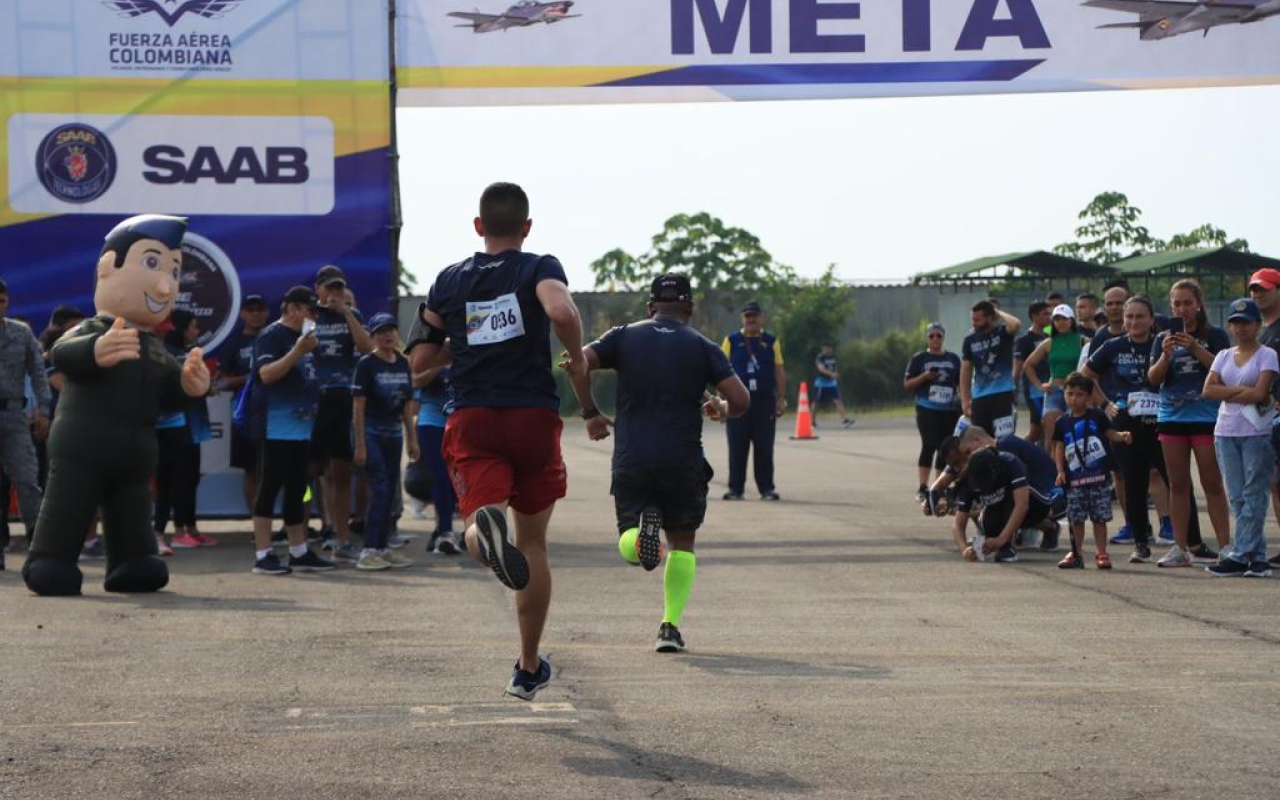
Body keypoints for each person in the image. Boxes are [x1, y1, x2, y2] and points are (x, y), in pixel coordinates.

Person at [410, 181, 591, 700]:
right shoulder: (539, 266)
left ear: (478, 226)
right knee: (533, 544)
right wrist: (576, 356)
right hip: (532, 416)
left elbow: (419, 363)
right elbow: (560, 313)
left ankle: (481, 534)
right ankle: (529, 663)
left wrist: (461, 345)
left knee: (477, 523)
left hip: (474, 417)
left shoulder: (449, 279)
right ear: (527, 227)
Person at [22, 215, 211, 596]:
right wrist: (95, 349)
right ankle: (50, 558)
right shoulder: (93, 329)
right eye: (153, 264)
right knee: (69, 503)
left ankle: (132, 560)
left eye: (173, 271)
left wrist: (190, 387)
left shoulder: (154, 348)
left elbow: (168, 393)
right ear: (108, 268)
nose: (164, 285)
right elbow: (62, 354)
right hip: (82, 449)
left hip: (135, 457)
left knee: (132, 510)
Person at [570, 274, 750, 652]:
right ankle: (669, 627)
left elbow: (575, 362)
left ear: (650, 307)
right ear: (689, 308)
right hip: (682, 460)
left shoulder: (623, 336)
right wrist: (721, 409)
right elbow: (742, 400)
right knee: (682, 543)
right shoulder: (702, 346)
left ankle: (639, 540)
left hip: (633, 457)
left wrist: (590, 413)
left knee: (628, 539)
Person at [1083, 295, 1182, 563]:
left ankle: (1189, 540)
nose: (1134, 322)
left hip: (1164, 420)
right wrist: (1104, 404)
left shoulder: (1163, 343)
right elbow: (1085, 376)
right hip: (1127, 422)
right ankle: (1140, 542)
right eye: (1130, 317)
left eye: (1140, 316)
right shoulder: (1113, 346)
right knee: (1134, 484)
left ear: (1152, 320)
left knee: (1176, 481)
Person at [247, 286, 336, 576]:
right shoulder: (271, 336)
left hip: (302, 427)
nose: (314, 318)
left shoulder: (308, 340)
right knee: (269, 487)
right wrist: (297, 350)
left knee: (300, 489)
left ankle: (299, 551)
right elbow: (266, 375)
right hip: (274, 426)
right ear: (294, 309)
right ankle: (262, 555)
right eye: (311, 311)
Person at [1148, 279, 1231, 568]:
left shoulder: (1216, 335)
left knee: (1212, 482)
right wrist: (1166, 355)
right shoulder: (1162, 338)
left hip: (1206, 417)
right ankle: (1179, 548)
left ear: (1199, 304)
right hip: (1172, 417)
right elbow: (1154, 379)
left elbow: (1224, 371)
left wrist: (1195, 348)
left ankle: (1225, 547)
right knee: (1178, 484)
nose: (1182, 309)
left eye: (1187, 303)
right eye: (1177, 304)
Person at [1201, 299, 1276, 577]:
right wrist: (1240, 391)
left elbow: (1261, 394)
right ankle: (1257, 559)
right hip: (1225, 431)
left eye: (1246, 322)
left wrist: (1227, 390)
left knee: (1254, 493)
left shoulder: (1267, 355)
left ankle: (1240, 554)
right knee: (1237, 496)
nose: (1240, 327)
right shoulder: (1222, 356)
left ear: (1257, 324)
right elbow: (1208, 390)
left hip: (1257, 432)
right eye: (1236, 322)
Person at [309, 265, 372, 554]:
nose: (334, 293)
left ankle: (343, 538)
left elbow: (367, 348)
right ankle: (317, 528)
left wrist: (346, 312)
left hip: (344, 399)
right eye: (329, 288)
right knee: (312, 471)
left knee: (341, 471)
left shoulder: (352, 315)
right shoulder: (309, 315)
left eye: (338, 288)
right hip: (312, 400)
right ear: (318, 289)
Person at [930, 426, 1065, 558]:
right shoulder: (984, 461)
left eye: (967, 453)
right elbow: (946, 480)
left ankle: (1043, 527)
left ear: (978, 441)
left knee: (1001, 497)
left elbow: (1021, 502)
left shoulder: (1006, 450)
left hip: (1054, 496)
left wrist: (1001, 538)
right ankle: (1007, 535)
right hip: (1033, 494)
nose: (967, 460)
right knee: (991, 499)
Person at [351, 313, 419, 571]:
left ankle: (382, 548)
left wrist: (412, 439)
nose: (387, 335)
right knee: (379, 488)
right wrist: (360, 444)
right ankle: (368, 550)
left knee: (389, 492)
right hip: (371, 433)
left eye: (391, 330)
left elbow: (405, 406)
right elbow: (358, 407)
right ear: (373, 337)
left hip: (394, 435)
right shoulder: (366, 365)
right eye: (380, 331)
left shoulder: (403, 364)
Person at [1052, 373, 1132, 569]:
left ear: (1088, 397)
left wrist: (1121, 436)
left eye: (1079, 395)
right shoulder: (1061, 422)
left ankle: (1101, 552)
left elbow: (1109, 434)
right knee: (1076, 518)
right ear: (1064, 394)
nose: (1074, 399)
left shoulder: (1097, 416)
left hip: (1098, 478)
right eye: (1070, 394)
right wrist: (1060, 471)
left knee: (1099, 518)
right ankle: (1076, 552)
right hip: (1074, 481)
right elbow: (1059, 448)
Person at [154, 310, 215, 552]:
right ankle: (168, 532)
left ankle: (179, 529)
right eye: (192, 326)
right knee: (168, 480)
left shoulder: (180, 355)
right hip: (159, 424)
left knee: (180, 478)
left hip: (180, 422)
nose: (164, 333)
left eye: (167, 330)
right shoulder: (160, 354)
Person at [0, 280, 50, 572]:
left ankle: (40, 547)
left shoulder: (21, 333)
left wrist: (43, 408)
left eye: (3, 299)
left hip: (14, 415)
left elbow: (39, 372)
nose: (0, 304)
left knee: (28, 481)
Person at [721, 301, 786, 501]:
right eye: (747, 316)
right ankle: (735, 489)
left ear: (761, 317)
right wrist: (722, 400)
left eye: (754, 316)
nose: (751, 320)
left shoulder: (771, 341)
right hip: (737, 402)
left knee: (764, 447)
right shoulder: (731, 340)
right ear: (742, 319)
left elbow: (779, 371)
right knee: (737, 446)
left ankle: (766, 489)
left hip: (764, 401)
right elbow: (722, 371)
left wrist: (781, 398)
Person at [217, 294, 269, 512]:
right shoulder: (234, 343)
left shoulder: (275, 337)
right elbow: (221, 382)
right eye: (251, 310)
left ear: (267, 313)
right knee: (251, 470)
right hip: (245, 414)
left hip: (276, 412)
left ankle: (294, 525)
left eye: (260, 309)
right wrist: (252, 378)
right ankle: (257, 523)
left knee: (289, 470)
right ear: (242, 314)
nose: (256, 314)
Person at [1245, 268, 1280, 568]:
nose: (1258, 293)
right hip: (1266, 416)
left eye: (1265, 288)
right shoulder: (1258, 330)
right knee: (1275, 482)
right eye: (1254, 289)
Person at [903, 322, 961, 502]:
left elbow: (961, 381)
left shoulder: (953, 358)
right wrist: (924, 377)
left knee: (945, 447)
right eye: (931, 336)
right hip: (927, 407)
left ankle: (938, 487)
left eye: (939, 336)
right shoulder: (919, 359)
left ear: (943, 337)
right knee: (929, 445)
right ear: (927, 338)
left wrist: (963, 399)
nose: (935, 339)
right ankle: (922, 487)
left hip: (949, 409)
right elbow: (907, 385)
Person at [1022, 305, 1091, 450]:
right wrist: (1039, 386)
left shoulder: (1083, 341)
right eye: (1057, 319)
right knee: (1051, 438)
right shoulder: (1049, 342)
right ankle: (1050, 470)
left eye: (1064, 319)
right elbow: (1028, 365)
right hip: (1053, 392)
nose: (1060, 322)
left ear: (1072, 320)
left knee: (1075, 435)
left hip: (1076, 392)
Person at [412, 360, 461, 554]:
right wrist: (439, 363)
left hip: (460, 423)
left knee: (459, 480)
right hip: (431, 422)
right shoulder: (430, 352)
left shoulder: (469, 348)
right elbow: (417, 381)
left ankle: (463, 530)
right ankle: (445, 532)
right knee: (441, 477)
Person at [959, 300, 1023, 438]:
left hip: (1003, 395)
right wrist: (965, 401)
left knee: (1004, 440)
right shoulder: (969, 339)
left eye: (977, 320)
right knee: (981, 441)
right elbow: (965, 371)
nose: (973, 323)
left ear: (989, 317)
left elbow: (1016, 324)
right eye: (972, 319)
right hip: (979, 398)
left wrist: (997, 312)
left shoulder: (1002, 333)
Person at [1013, 302, 1052, 446]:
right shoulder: (1024, 341)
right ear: (1034, 316)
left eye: (1050, 314)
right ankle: (1020, 451)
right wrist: (1014, 391)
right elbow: (1018, 369)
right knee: (1037, 429)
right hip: (1035, 392)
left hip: (1052, 389)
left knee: (1049, 428)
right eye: (1045, 314)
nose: (1049, 317)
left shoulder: (1053, 335)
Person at [812, 343, 853, 428]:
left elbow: (835, 367)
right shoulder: (820, 357)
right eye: (824, 348)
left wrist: (836, 374)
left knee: (838, 400)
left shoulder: (833, 357)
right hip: (821, 382)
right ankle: (812, 421)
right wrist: (832, 374)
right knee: (816, 403)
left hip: (831, 383)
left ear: (831, 349)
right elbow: (821, 369)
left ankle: (844, 420)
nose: (826, 350)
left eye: (828, 348)